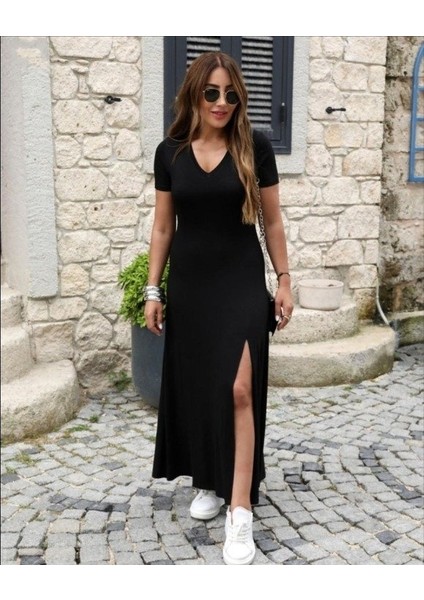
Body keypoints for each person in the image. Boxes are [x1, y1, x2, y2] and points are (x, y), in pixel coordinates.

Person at [144, 51, 293, 565]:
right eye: (212, 92)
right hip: (191, 286)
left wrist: (284, 280)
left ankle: (241, 509)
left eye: (231, 93)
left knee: (239, 388)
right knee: (202, 386)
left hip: (240, 282)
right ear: (194, 94)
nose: (222, 102)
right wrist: (153, 289)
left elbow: (272, 221)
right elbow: (163, 226)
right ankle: (209, 479)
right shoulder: (170, 153)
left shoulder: (255, 147)